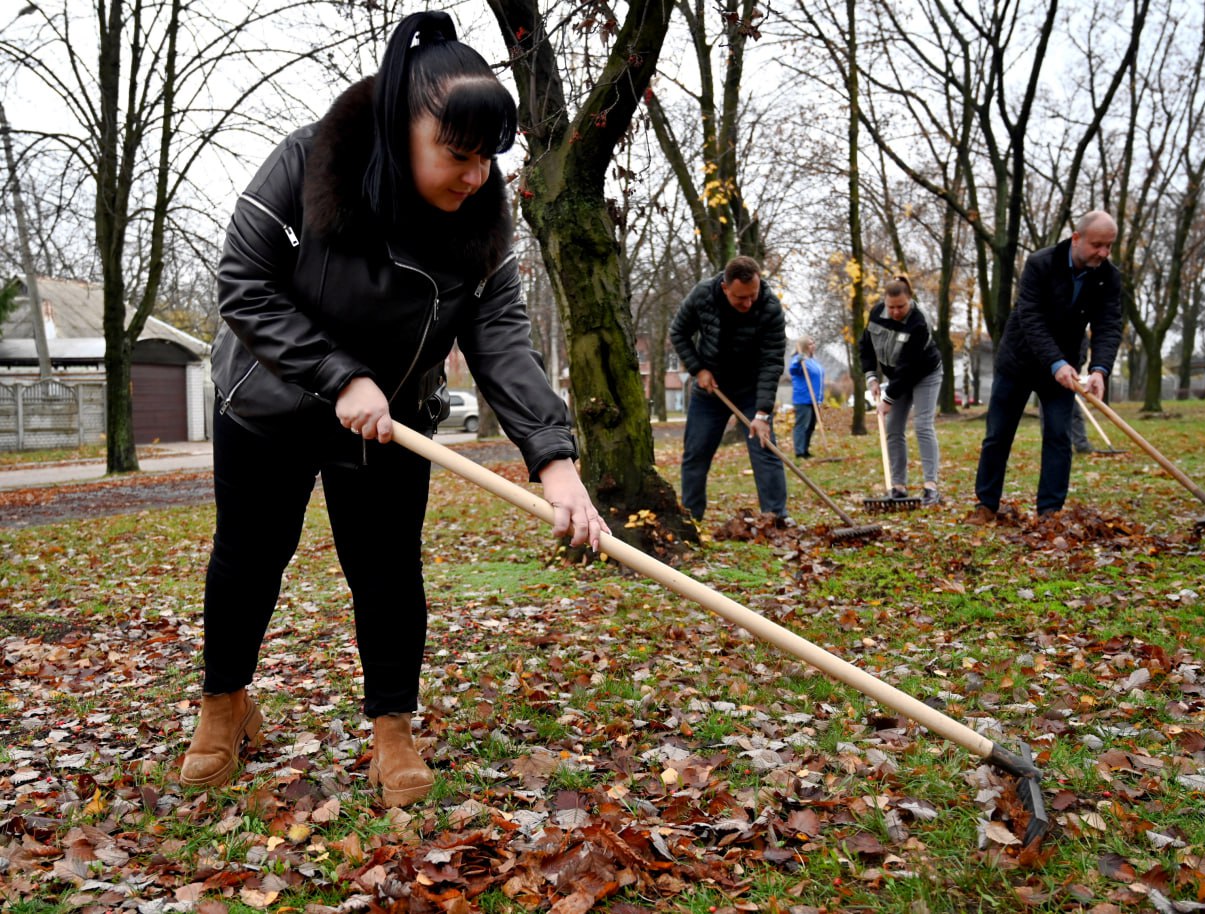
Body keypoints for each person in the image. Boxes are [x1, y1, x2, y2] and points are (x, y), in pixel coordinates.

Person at [180, 11, 608, 807]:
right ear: (401, 125)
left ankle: (392, 731)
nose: (476, 175)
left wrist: (554, 460)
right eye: (459, 153)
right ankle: (223, 703)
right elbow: (243, 279)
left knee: (386, 573)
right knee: (249, 558)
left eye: (488, 157)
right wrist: (338, 374)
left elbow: (503, 342)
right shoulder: (311, 159)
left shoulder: (480, 224)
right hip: (270, 398)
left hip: (393, 416)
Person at [969, 210, 1122, 522]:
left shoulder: (1108, 275)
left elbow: (1108, 324)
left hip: (1064, 368)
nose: (1103, 253)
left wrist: (1099, 369)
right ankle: (986, 505)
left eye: (1109, 246)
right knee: (998, 434)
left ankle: (1050, 512)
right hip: (1020, 361)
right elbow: (1031, 318)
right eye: (1097, 245)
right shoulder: (1041, 263)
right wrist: (1056, 362)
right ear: (1076, 238)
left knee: (1058, 436)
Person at [670, 255, 788, 523]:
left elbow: (772, 360)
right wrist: (698, 369)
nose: (748, 303)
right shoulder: (703, 295)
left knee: (765, 449)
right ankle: (691, 518)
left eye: (752, 296)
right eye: (740, 298)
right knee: (696, 452)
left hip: (751, 389)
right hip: (710, 389)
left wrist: (762, 413)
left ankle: (776, 517)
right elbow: (678, 332)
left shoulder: (769, 306)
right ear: (725, 287)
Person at [858, 276, 943, 505]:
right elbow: (866, 346)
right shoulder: (876, 314)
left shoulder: (919, 321)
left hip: (924, 373)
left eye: (901, 306)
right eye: (891, 307)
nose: (895, 312)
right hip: (896, 375)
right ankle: (898, 487)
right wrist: (872, 378)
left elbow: (908, 366)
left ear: (910, 300)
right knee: (893, 428)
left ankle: (931, 487)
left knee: (923, 425)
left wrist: (888, 397)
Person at [789, 336, 825, 458]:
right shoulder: (799, 360)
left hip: (815, 399)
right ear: (804, 346)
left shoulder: (813, 361)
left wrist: (820, 398)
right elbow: (793, 370)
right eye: (810, 344)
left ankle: (805, 450)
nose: (813, 345)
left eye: (813, 343)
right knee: (802, 425)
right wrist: (798, 361)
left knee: (810, 426)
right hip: (803, 398)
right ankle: (799, 452)